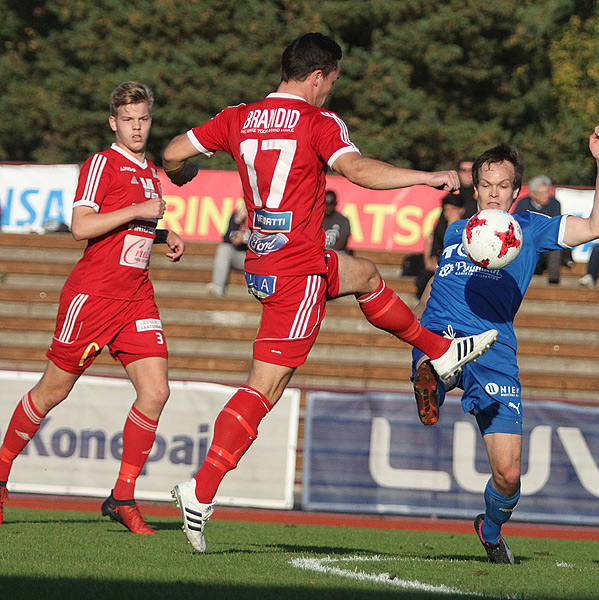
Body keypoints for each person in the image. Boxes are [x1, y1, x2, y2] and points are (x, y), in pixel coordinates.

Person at [161, 32, 497, 552]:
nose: (330, 93)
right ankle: (199, 492)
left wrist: (185, 173)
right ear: (318, 75)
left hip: (266, 262)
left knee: (363, 274)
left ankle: (438, 350)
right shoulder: (317, 122)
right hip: (296, 274)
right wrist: (426, 176)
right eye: (331, 83)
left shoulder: (238, 116)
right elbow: (357, 170)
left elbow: (172, 153)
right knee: (266, 386)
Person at [412, 124, 599, 563]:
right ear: (475, 188)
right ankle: (432, 376)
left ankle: (489, 527)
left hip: (495, 347)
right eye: (484, 185)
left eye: (502, 186)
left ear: (516, 191)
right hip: (442, 330)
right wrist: (416, 327)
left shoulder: (529, 228)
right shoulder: (456, 232)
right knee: (434, 362)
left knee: (508, 475)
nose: (492, 194)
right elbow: (435, 282)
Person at [0, 82, 185, 534]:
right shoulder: (102, 163)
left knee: (156, 391)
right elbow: (81, 226)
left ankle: (122, 497)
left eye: (143, 119)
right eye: (128, 120)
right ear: (113, 123)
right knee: (52, 392)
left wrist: (163, 234)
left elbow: (131, 224)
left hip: (136, 296)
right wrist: (141, 210)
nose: (137, 127)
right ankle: (0, 475)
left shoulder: (150, 172)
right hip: (94, 296)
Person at [512, 175, 570, 284]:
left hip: (545, 241)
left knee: (555, 245)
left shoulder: (554, 204)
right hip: (527, 242)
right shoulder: (523, 204)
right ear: (533, 194)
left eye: (547, 192)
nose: (546, 195)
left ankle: (553, 279)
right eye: (542, 193)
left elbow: (554, 226)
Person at [413, 193, 467, 298]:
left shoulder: (466, 229)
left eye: (453, 209)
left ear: (461, 210)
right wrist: (429, 260)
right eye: (446, 209)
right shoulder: (440, 227)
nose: (449, 213)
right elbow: (433, 245)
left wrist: (452, 224)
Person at [207, 203, 249, 296]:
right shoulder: (239, 213)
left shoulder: (263, 213)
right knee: (224, 248)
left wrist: (245, 238)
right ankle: (217, 287)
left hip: (258, 258)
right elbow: (226, 239)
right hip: (241, 257)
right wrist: (237, 221)